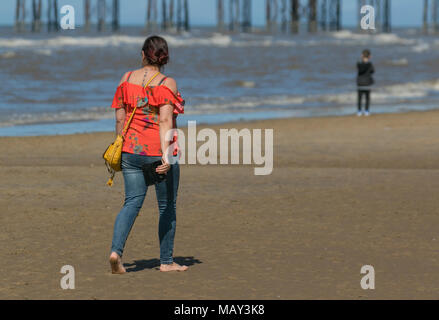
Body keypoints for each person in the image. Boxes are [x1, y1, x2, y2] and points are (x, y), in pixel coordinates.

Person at [109, 36, 187, 274]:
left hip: (130, 151)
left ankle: (116, 253)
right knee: (166, 206)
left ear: (143, 54)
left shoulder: (126, 78)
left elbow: (120, 117)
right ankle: (166, 261)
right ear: (165, 58)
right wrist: (166, 155)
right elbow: (165, 120)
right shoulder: (167, 82)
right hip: (156, 152)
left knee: (132, 202)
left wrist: (121, 143)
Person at [356, 49, 375, 116]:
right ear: (369, 56)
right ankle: (366, 111)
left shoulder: (359, 64)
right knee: (367, 98)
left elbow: (360, 70)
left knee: (359, 99)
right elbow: (372, 71)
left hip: (360, 83)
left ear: (362, 56)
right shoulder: (370, 64)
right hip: (367, 83)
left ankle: (359, 111)